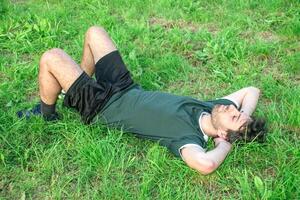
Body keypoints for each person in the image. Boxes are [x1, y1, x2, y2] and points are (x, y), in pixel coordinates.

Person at [17, 26, 266, 175]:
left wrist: (225, 145)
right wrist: (243, 116)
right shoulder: (209, 108)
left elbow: (206, 165)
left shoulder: (188, 139)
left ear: (222, 133)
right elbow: (251, 90)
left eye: (233, 116)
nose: (231, 108)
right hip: (124, 87)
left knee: (52, 57)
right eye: (236, 110)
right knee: (95, 33)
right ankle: (76, 85)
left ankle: (47, 114)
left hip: (101, 107)